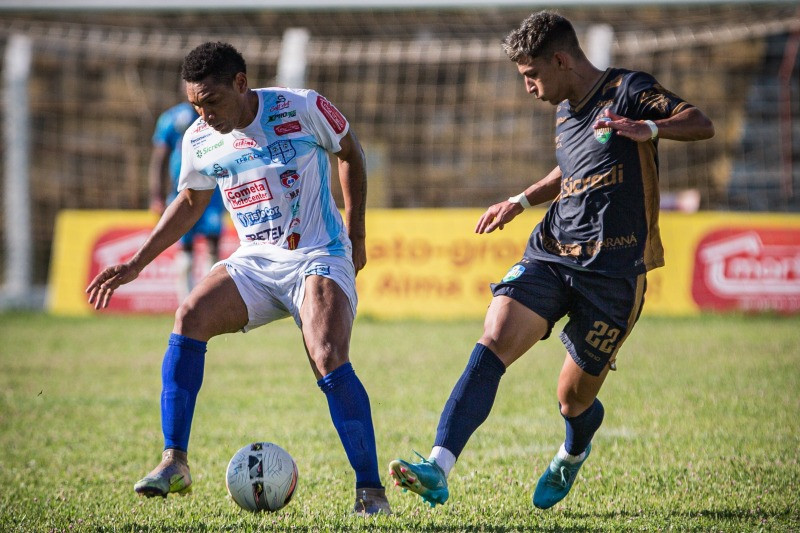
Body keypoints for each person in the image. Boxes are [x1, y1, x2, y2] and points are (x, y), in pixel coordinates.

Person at [389, 11, 714, 510]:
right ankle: (438, 465)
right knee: (495, 336)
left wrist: (648, 127)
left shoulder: (628, 89)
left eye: (531, 75)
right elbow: (571, 170)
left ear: (561, 60)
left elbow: (700, 123)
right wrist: (519, 202)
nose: (528, 88)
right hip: (553, 250)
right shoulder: (565, 112)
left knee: (573, 399)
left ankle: (572, 450)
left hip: (615, 274)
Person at [86, 41, 391, 516]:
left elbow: (350, 152)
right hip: (254, 261)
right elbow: (190, 202)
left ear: (241, 84)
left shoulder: (302, 106)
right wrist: (137, 263)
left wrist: (357, 234)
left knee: (328, 355)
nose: (204, 115)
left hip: (318, 254)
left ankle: (370, 492)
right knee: (189, 315)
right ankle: (175, 462)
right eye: (195, 105)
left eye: (211, 102)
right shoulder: (198, 139)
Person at [148, 96, 227, 303]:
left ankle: (213, 299)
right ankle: (187, 302)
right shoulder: (171, 118)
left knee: (212, 244)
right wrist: (156, 195)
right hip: (181, 193)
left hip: (213, 193)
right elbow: (160, 158)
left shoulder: (218, 115)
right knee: (186, 249)